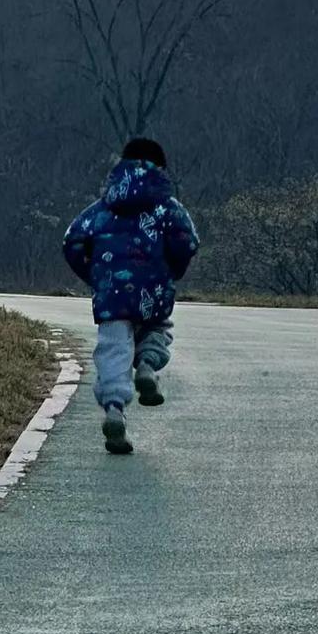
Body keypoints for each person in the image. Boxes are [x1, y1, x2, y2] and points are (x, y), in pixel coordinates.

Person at [62, 137, 200, 455]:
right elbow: (187, 241)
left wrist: (94, 276)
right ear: (160, 170)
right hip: (153, 287)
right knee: (156, 329)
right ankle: (148, 367)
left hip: (111, 291)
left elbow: (72, 242)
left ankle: (114, 409)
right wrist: (171, 269)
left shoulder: (101, 209)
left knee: (113, 350)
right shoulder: (167, 207)